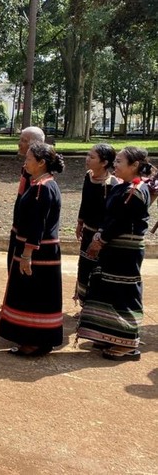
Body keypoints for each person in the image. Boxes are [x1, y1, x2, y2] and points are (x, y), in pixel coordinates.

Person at [76, 147, 154, 361]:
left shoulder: (135, 191)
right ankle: (107, 333)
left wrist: (100, 239)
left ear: (135, 166)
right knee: (106, 287)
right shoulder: (127, 187)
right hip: (114, 249)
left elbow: (120, 221)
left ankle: (126, 343)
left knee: (123, 291)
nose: (115, 165)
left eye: (120, 161)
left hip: (125, 252)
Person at [0, 142, 64, 356]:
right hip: (41, 250)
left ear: (42, 162)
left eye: (29, 158)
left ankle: (35, 341)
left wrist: (26, 254)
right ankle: (37, 339)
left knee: (34, 295)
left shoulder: (41, 188)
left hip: (38, 252)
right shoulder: (43, 183)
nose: (25, 162)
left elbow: (37, 225)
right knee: (36, 294)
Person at [73, 144, 118, 305]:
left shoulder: (112, 184)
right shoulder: (89, 176)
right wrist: (80, 224)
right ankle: (84, 304)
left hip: (101, 236)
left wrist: (100, 235)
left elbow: (110, 214)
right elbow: (85, 203)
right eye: (87, 155)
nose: (87, 159)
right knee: (84, 267)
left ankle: (94, 306)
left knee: (97, 270)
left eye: (92, 157)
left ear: (104, 162)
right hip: (87, 230)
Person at [7, 126, 46, 267]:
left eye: (23, 140)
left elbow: (37, 214)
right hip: (18, 227)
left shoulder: (39, 175)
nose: (19, 143)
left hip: (27, 234)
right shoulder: (27, 168)